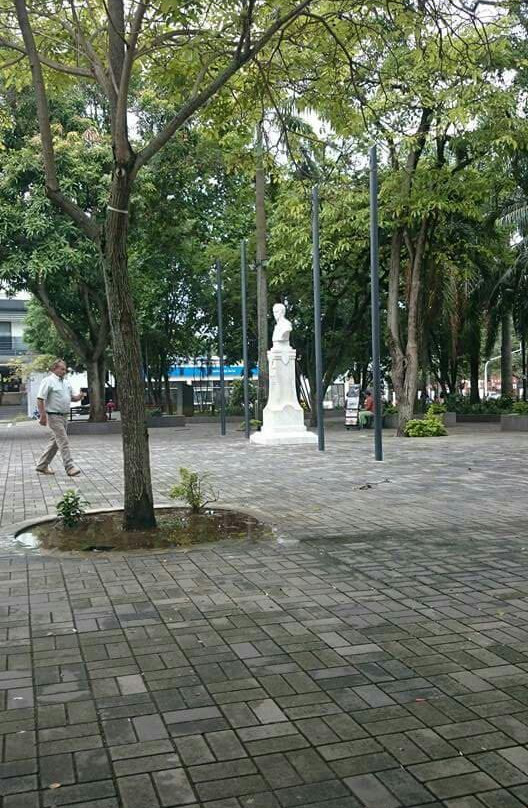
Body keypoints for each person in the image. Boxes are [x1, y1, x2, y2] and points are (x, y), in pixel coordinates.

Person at [35, 359, 83, 476]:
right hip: (53, 416)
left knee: (56, 442)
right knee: (63, 441)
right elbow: (40, 399)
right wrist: (43, 416)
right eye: (61, 369)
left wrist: (79, 396)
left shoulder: (66, 382)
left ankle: (42, 466)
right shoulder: (48, 381)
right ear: (54, 369)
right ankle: (70, 467)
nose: (64, 371)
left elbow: (72, 398)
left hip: (64, 416)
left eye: (65, 369)